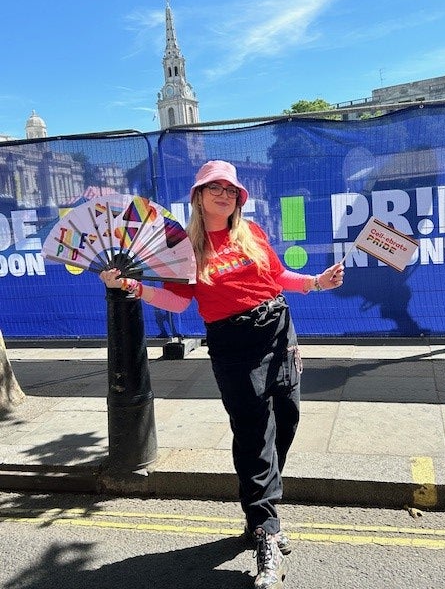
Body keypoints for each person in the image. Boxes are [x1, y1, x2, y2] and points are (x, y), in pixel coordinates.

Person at [100, 160, 344, 589]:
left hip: (278, 330)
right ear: (198, 196)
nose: (224, 195)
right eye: (215, 188)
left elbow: (279, 276)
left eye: (231, 190)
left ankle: (257, 510)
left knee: (287, 419)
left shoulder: (252, 234)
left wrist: (318, 281)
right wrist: (132, 288)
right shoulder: (186, 248)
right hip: (232, 343)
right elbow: (178, 303)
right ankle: (266, 531)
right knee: (253, 434)